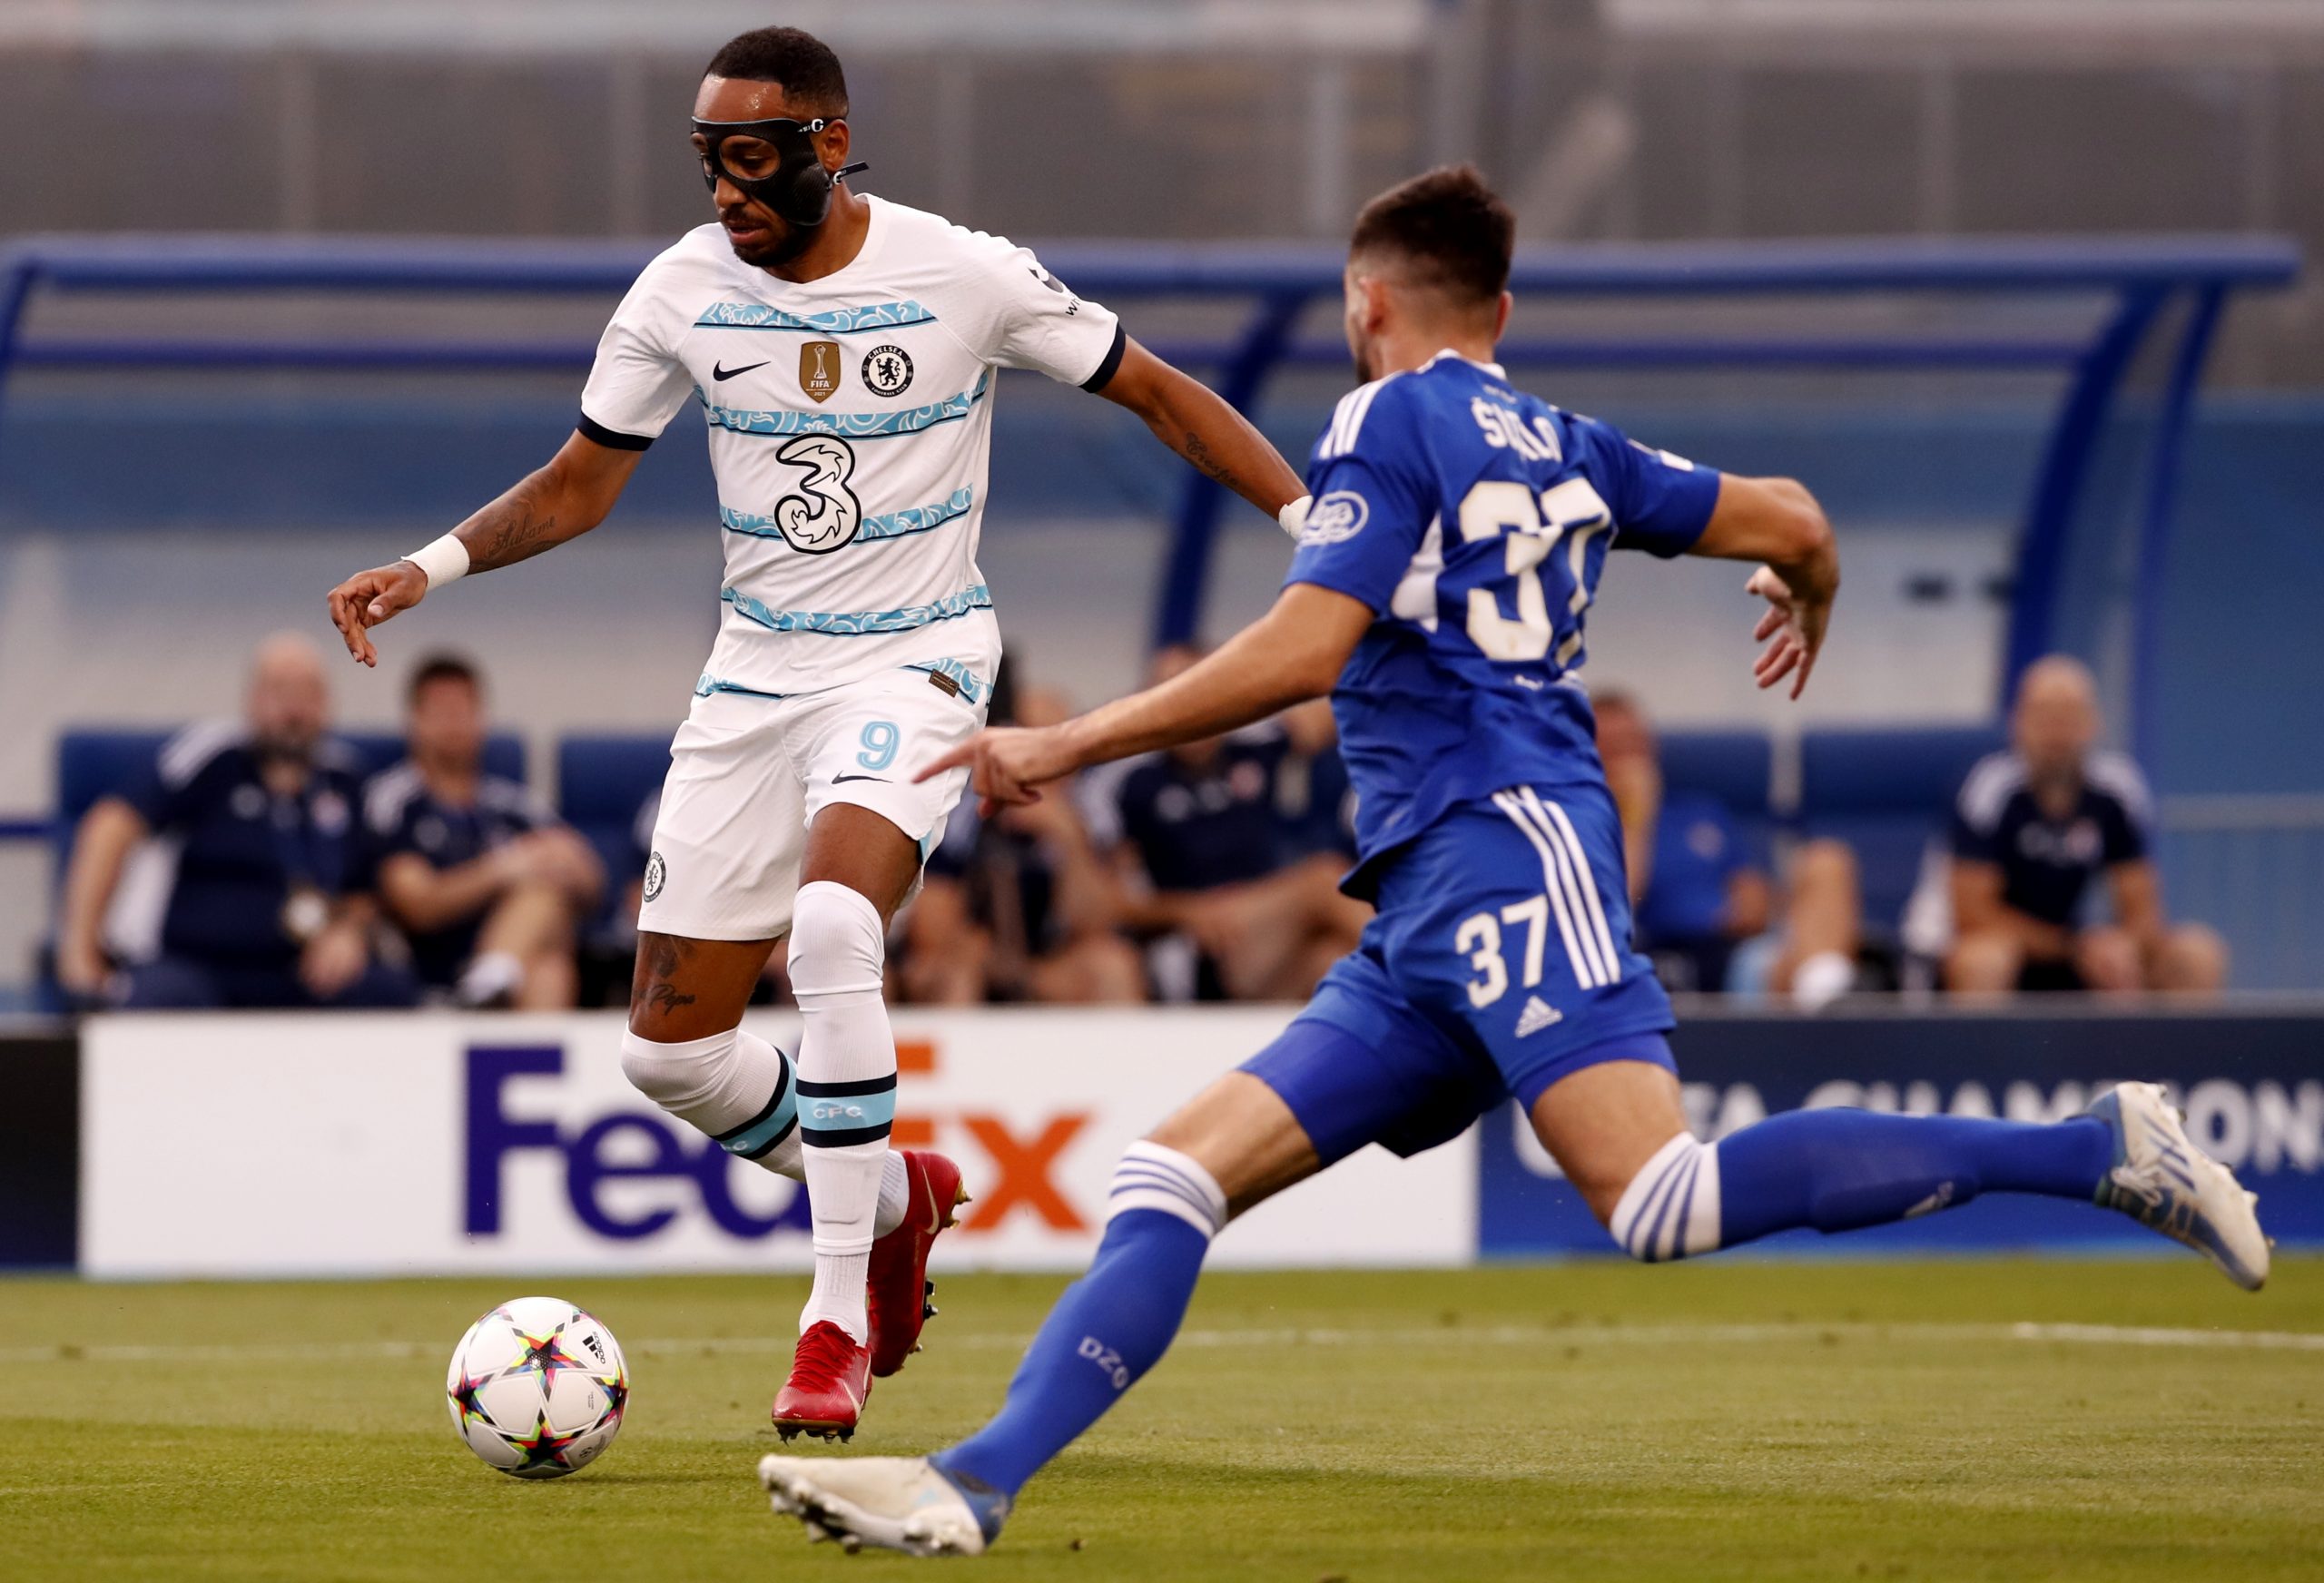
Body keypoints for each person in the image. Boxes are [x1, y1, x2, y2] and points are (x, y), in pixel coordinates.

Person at [752, 165, 2270, 1556]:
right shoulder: (1574, 443)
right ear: (1505, 309)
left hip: (1508, 849)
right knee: (1171, 1172)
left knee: (1662, 1199)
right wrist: (1806, 587)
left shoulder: (1384, 421)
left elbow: (1307, 645)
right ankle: (975, 1481)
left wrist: (1071, 742)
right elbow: (1796, 517)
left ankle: (2095, 1147)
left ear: (1368, 303)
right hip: (1425, 901)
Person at [321, 25, 1307, 1439]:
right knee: (668, 1057)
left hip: (915, 661)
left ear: (828, 146)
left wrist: (1311, 525)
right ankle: (892, 1195)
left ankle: (833, 1317)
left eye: (749, 157)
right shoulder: (680, 290)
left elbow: (1157, 391)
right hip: (752, 680)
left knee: (837, 927)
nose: (726, 188)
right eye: (707, 160)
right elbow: (579, 484)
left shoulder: (960, 272)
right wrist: (431, 567)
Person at [55, 633, 418, 1011]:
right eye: (280, 691)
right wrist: (79, 952)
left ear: (327, 704)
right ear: (252, 699)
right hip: (197, 966)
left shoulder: (348, 777)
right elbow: (110, 826)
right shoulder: (210, 758)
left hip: (306, 972)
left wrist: (349, 932)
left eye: (308, 693)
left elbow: (367, 887)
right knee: (157, 998)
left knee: (390, 990)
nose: (294, 710)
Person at [1940, 655, 2226, 996]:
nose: (2057, 731)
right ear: (2018, 722)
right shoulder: (1988, 788)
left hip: (2073, 950)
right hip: (2001, 950)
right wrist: (2074, 947)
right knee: (1984, 960)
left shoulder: (2118, 788)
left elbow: (2142, 909)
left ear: (2094, 723)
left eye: (2069, 716)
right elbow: (1972, 916)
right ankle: (1979, 1035)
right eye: (2044, 715)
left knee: (2196, 952)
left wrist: (2119, 946)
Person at [1103, 645, 1368, 1002]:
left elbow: (1336, 710)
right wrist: (1185, 911)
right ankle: (1427, 967)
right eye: (1169, 691)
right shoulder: (1132, 782)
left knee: (1332, 959)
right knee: (1325, 879)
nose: (1185, 704)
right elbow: (1113, 900)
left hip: (1271, 926)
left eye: (1198, 688)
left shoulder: (1252, 747)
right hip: (1201, 942)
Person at [364, 654, 605, 1008]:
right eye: (442, 712)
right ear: (414, 720)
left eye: (464, 710)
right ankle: (486, 982)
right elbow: (417, 903)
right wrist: (503, 869)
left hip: (518, 971)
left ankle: (488, 982)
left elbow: (591, 880)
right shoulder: (394, 801)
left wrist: (553, 862)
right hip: (428, 972)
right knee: (543, 916)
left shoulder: (514, 804)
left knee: (550, 956)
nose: (455, 723)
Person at [1594, 690, 1862, 1007]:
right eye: (1616, 747)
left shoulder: (1700, 811)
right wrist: (1636, 816)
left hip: (1741, 948)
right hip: (1672, 959)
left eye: (1636, 742)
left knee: (1827, 860)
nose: (1633, 759)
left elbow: (1749, 887)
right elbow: (1613, 911)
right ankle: (1824, 1000)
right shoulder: (1592, 823)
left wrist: (1755, 902)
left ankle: (1824, 993)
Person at [903, 681, 1144, 1006]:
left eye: (1060, 740)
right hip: (975, 960)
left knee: (1112, 965)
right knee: (955, 971)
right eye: (1034, 736)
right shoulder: (963, 811)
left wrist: (1068, 838)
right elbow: (931, 933)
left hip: (1046, 964)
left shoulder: (1090, 810)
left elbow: (1097, 922)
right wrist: (988, 956)